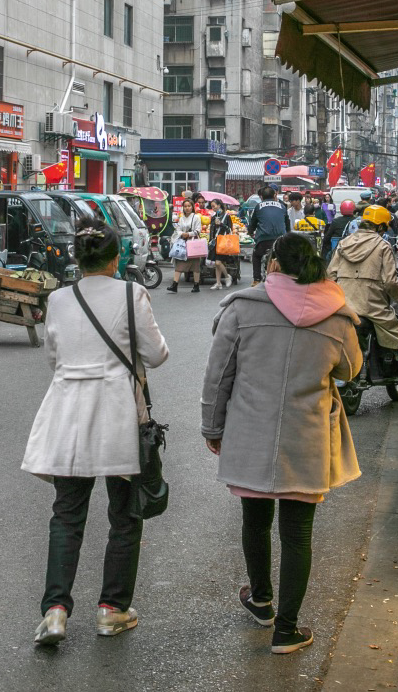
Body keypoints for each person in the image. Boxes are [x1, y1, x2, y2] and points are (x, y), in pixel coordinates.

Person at [201, 233, 363, 656]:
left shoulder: (242, 308)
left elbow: (218, 375)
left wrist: (212, 427)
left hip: (250, 432)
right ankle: (286, 631)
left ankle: (261, 600)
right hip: (307, 436)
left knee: (255, 520)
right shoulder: (337, 315)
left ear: (273, 264)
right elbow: (350, 369)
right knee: (297, 535)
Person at [23, 218, 169, 647]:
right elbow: (156, 355)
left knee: (67, 514)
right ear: (116, 257)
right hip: (119, 414)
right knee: (124, 515)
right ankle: (111, 609)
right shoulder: (132, 294)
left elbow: (54, 358)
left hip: (69, 412)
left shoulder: (58, 299)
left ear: (77, 258)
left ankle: (54, 612)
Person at [328, 204, 398, 357]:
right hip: (374, 308)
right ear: (381, 227)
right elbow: (391, 282)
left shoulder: (343, 244)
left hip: (343, 307)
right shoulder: (383, 246)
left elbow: (330, 276)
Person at [249, 186, 292, 284]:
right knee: (284, 257)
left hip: (263, 239)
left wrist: (250, 232)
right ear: (274, 195)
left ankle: (256, 279)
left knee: (256, 256)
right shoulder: (282, 206)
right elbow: (287, 222)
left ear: (262, 196)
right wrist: (288, 233)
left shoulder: (259, 206)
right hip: (280, 239)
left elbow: (253, 223)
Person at [166, 203, 203, 293]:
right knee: (179, 263)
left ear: (192, 207)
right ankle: (174, 285)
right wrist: (182, 234)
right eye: (185, 206)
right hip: (183, 243)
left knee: (195, 265)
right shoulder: (181, 218)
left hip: (193, 243)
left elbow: (198, 230)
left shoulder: (196, 217)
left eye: (189, 206)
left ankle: (196, 285)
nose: (187, 208)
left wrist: (189, 234)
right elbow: (178, 229)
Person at [207, 200, 237, 290]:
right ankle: (218, 283)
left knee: (218, 262)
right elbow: (212, 231)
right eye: (212, 206)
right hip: (215, 242)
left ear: (219, 205)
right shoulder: (213, 217)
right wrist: (210, 241)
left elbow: (230, 230)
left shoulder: (226, 216)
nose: (213, 208)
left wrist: (221, 224)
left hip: (223, 242)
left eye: (214, 206)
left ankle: (227, 276)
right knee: (216, 264)